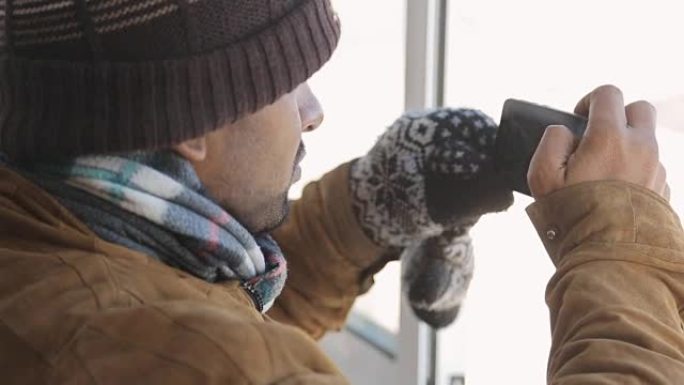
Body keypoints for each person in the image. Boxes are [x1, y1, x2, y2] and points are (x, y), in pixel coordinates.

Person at [0, 2, 681, 385]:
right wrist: (623, 246)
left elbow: (172, 313)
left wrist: (365, 210)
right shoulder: (217, 365)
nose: (313, 109)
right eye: (286, 81)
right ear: (193, 121)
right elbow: (210, 350)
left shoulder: (40, 234)